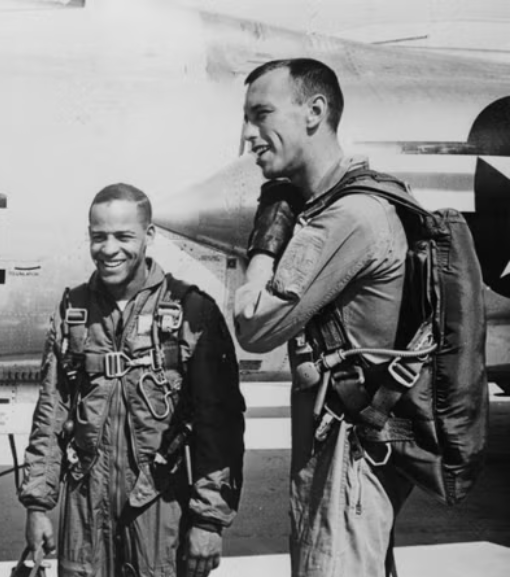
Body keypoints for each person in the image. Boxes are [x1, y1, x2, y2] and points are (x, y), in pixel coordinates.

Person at [233, 58, 413, 576]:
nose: (249, 135)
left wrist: (267, 240)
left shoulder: (346, 216)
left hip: (347, 459)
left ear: (314, 111)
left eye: (261, 113)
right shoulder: (342, 204)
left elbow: (255, 325)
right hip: (349, 449)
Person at [19, 183, 245, 577]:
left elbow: (219, 426)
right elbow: (51, 413)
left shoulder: (192, 312)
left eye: (124, 236)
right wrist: (38, 506)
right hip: (84, 511)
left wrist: (209, 522)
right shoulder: (73, 311)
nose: (109, 249)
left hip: (160, 505)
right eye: (98, 237)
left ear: (149, 236)